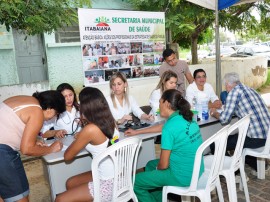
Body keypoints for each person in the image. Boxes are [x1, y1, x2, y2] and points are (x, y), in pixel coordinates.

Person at [134, 89, 204, 202]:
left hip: (182, 176)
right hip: (196, 169)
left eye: (160, 102)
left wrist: (157, 170)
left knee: (135, 182)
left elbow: (163, 165)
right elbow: (165, 127)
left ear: (166, 103)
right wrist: (137, 132)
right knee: (150, 165)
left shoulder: (169, 127)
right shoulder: (187, 119)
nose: (158, 106)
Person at [0, 90, 65, 202]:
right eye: (56, 113)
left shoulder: (25, 100)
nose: (53, 117)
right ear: (50, 108)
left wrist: (34, 140)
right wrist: (51, 149)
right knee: (20, 197)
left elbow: (10, 125)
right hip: (3, 153)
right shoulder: (37, 112)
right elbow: (26, 149)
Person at [55, 87, 117, 202]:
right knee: (70, 183)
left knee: (60, 199)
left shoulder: (90, 129)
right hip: (118, 175)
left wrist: (82, 136)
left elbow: (67, 157)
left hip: (107, 184)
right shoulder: (111, 121)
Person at [209, 72, 270, 171]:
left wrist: (214, 113)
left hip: (256, 138)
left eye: (226, 86)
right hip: (267, 136)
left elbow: (224, 119)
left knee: (216, 144)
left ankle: (233, 173)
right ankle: (256, 167)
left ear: (228, 84)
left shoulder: (233, 93)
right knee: (238, 141)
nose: (226, 88)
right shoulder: (250, 89)